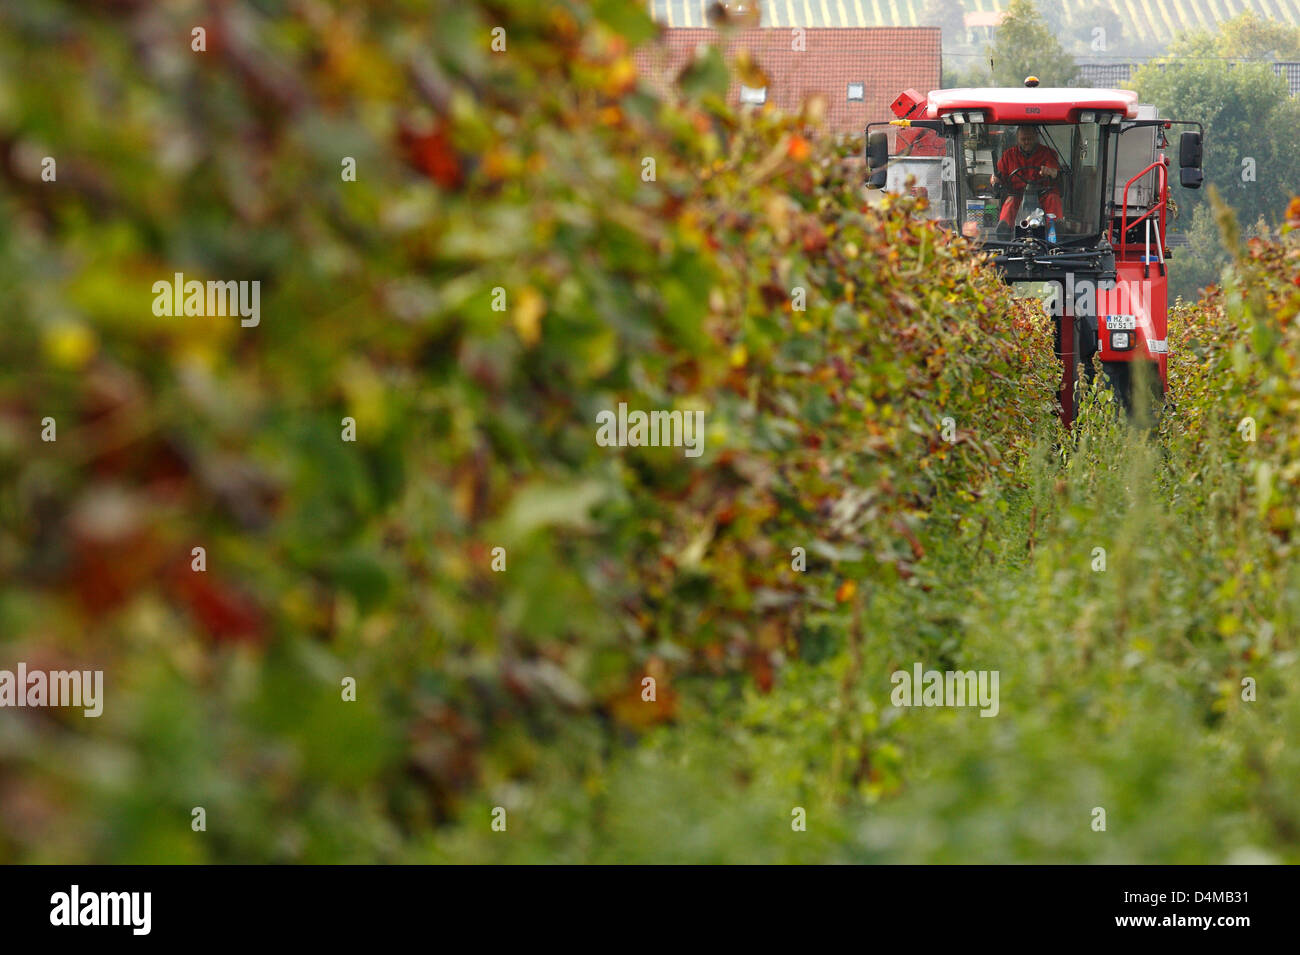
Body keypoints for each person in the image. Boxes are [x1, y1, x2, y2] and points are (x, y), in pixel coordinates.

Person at [989, 125, 1063, 233]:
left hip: (1043, 192)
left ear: (1036, 138)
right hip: (1017, 193)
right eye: (1023, 139)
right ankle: (1004, 230)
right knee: (1010, 200)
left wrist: (1051, 172)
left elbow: (1055, 173)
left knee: (1053, 198)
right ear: (1017, 139)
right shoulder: (1009, 155)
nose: (1027, 142)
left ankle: (1056, 229)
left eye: (1030, 139)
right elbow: (1001, 176)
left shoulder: (1048, 153)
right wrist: (995, 180)